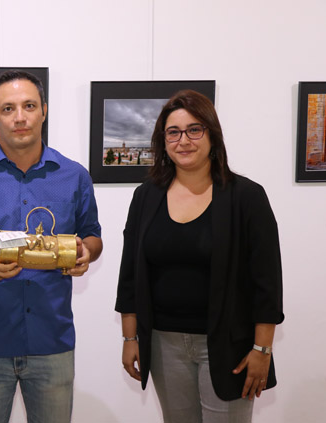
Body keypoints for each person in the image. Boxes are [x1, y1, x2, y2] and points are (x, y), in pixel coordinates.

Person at [0, 70, 102, 423]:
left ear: (44, 110)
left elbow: (92, 235)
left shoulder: (74, 175)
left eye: (29, 106)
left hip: (52, 342)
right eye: (8, 109)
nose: (20, 117)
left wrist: (86, 252)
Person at [115, 89, 284, 423]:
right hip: (163, 344)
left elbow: (267, 282)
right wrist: (130, 337)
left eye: (194, 129)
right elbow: (130, 275)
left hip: (229, 344)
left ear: (212, 134)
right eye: (173, 132)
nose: (184, 141)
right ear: (163, 141)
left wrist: (262, 349)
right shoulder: (146, 196)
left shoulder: (246, 196)